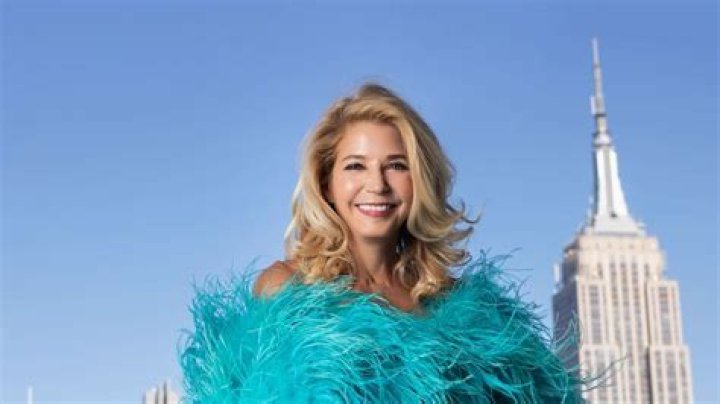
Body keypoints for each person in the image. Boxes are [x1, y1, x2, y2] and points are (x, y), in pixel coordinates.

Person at [180, 84, 585, 403]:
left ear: (419, 181)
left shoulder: (465, 311)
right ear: (327, 183)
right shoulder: (287, 290)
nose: (377, 184)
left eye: (396, 165)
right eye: (355, 166)